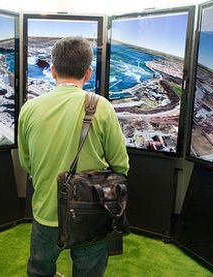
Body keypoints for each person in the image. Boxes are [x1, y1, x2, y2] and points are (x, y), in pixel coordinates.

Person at [18, 37, 129, 277]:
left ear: (53, 70)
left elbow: (26, 163)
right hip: (90, 213)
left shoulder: (29, 108)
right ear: (88, 73)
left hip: (46, 211)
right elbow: (121, 165)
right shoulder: (102, 107)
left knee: (39, 271)